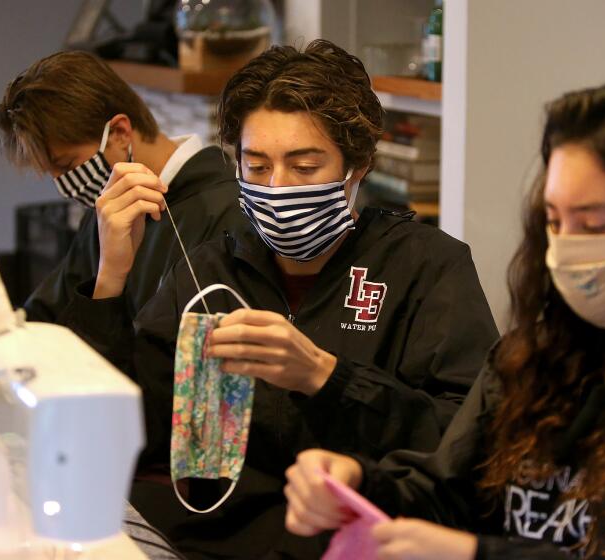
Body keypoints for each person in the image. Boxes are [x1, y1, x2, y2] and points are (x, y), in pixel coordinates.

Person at [77, 39, 498, 558]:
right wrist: (111, 276)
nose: (276, 189)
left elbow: (470, 445)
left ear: (357, 166)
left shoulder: (427, 268)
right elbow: (121, 435)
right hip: (209, 543)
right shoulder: (210, 271)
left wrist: (326, 376)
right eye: (256, 167)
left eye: (304, 168)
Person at [284, 82, 605, 559]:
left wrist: (476, 555)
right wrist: (361, 486)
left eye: (596, 226)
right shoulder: (531, 361)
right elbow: (448, 493)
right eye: (555, 222)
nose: (566, 248)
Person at [0, 50, 243, 348]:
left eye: (67, 165)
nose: (64, 186)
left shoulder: (223, 212)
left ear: (120, 133)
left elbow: (165, 370)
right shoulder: (107, 211)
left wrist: (110, 277)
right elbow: (44, 316)